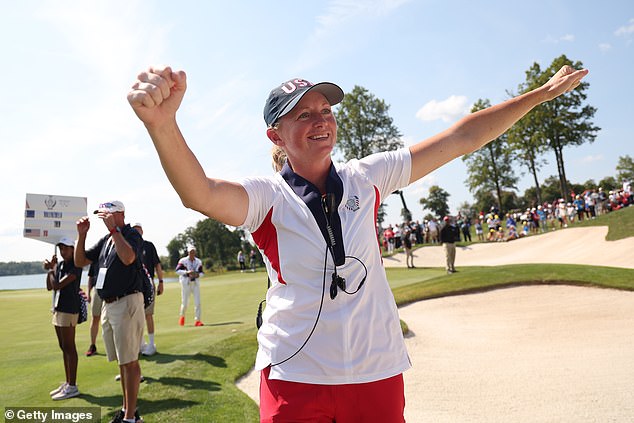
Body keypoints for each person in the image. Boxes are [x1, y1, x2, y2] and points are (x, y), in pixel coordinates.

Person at [128, 63, 587, 422]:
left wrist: (541, 95)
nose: (320, 120)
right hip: (295, 375)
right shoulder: (268, 196)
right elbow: (200, 194)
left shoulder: (367, 176)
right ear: (276, 136)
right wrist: (162, 126)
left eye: (325, 110)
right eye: (303, 114)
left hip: (376, 372)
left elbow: (463, 136)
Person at [74, 201, 144, 423]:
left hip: (127, 302)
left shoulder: (130, 234)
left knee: (130, 361)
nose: (104, 217)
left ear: (120, 214)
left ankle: (130, 417)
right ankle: (127, 411)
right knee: (122, 362)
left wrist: (114, 229)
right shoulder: (106, 240)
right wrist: (82, 235)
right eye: (102, 214)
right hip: (109, 304)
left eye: (108, 214)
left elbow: (128, 258)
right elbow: (80, 261)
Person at [45, 236, 82, 400]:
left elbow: (58, 285)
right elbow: (49, 286)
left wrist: (51, 270)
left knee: (69, 347)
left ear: (73, 249)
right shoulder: (60, 265)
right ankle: (68, 383)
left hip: (69, 309)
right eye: (60, 248)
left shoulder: (76, 265)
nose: (62, 251)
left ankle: (73, 386)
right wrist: (50, 270)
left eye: (65, 248)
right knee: (63, 346)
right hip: (58, 309)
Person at [132, 223, 164, 356]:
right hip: (134, 285)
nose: (137, 233)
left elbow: (157, 264)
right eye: (134, 231)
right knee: (135, 317)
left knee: (148, 314)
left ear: (142, 232)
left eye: (138, 230)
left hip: (148, 284)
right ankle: (140, 344)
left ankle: (151, 344)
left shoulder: (148, 246)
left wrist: (161, 281)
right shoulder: (130, 246)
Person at [176, 247, 204, 327]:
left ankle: (197, 320)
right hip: (186, 284)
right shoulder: (183, 261)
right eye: (190, 252)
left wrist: (198, 275)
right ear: (188, 253)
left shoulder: (198, 261)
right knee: (185, 303)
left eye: (193, 252)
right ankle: (182, 316)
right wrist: (187, 272)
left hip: (195, 283)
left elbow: (202, 273)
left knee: (197, 302)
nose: (192, 253)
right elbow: (177, 271)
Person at [85, 260, 101, 357]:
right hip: (97, 289)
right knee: (95, 317)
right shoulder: (96, 255)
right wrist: (88, 292)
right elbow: (90, 276)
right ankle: (93, 345)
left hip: (112, 290)